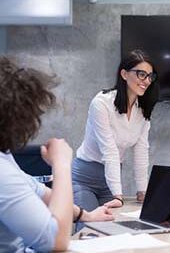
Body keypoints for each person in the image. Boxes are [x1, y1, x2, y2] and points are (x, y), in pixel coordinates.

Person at [0, 57, 113, 252]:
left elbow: (42, 193)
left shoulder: (5, 157)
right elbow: (56, 241)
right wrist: (60, 164)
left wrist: (85, 215)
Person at [72, 49, 159, 215]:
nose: (147, 81)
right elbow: (109, 150)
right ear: (124, 74)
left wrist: (143, 190)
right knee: (88, 229)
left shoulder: (143, 110)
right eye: (141, 74)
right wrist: (118, 196)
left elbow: (141, 152)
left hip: (110, 180)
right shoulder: (101, 103)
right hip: (84, 179)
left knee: (113, 229)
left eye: (150, 76)